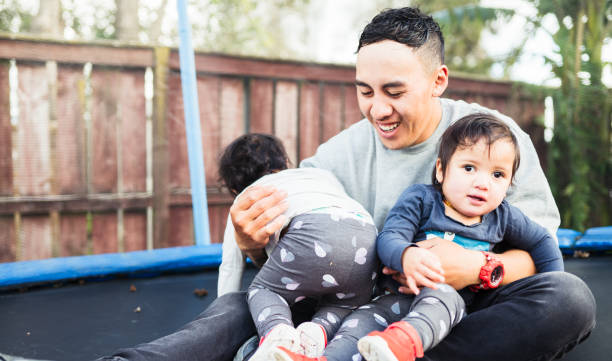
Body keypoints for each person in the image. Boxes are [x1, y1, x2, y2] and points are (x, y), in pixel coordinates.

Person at [96, 6, 595, 361]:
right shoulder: (336, 157)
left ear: (438, 80)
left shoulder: (493, 142)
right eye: (365, 91)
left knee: (568, 301)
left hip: (465, 308)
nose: (378, 109)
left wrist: (475, 267)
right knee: (246, 303)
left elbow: (542, 248)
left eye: (394, 92)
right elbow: (296, 261)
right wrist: (252, 245)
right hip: (361, 309)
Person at [272, 113, 565, 361]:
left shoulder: (504, 216)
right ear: (441, 170)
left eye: (497, 175)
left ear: (509, 184)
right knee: (358, 323)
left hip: (451, 308)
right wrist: (406, 255)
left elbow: (542, 243)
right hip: (396, 299)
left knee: (443, 298)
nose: (482, 183)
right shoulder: (422, 200)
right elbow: (390, 236)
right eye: (468, 168)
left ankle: (402, 345)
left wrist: (552, 284)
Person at [216, 133, 378, 360]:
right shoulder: (319, 175)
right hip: (367, 234)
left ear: (233, 189)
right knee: (344, 305)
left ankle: (278, 335)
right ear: (285, 163)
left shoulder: (244, 199)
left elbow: (230, 267)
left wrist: (224, 310)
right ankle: (315, 333)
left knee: (263, 290)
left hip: (313, 231)